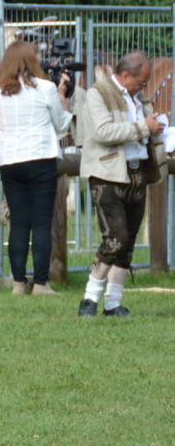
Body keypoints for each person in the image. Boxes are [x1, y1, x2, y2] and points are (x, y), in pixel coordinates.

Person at [75, 51, 164, 317]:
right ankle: (89, 299)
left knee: (128, 242)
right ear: (125, 75)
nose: (143, 87)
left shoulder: (138, 98)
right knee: (115, 239)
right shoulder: (97, 93)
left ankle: (113, 303)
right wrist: (144, 127)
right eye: (142, 81)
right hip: (107, 174)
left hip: (137, 173)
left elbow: (143, 129)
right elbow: (102, 132)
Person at [0, 40, 74, 295]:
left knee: (18, 224)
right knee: (40, 223)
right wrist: (62, 95)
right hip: (39, 158)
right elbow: (61, 126)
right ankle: (40, 283)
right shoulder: (47, 88)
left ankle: (18, 283)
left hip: (10, 160)